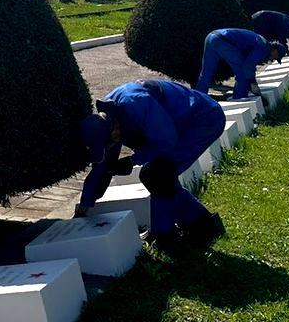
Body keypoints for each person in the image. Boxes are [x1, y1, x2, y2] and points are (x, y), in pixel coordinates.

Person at [76, 80, 226, 253]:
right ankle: (204, 225)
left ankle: (165, 237)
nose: (111, 146)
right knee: (159, 175)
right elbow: (102, 167)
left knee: (158, 175)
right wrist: (85, 204)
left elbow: (166, 142)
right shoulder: (109, 121)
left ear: (113, 130)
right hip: (176, 126)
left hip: (202, 120)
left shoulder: (138, 104)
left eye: (110, 143)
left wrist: (133, 160)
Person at [194, 28, 287, 101]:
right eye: (276, 57)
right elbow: (248, 66)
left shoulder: (261, 41)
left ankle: (198, 101)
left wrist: (252, 82)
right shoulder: (264, 48)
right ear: (275, 51)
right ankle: (239, 99)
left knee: (206, 73)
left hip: (211, 37)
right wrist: (252, 83)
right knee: (242, 74)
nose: (273, 60)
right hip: (223, 41)